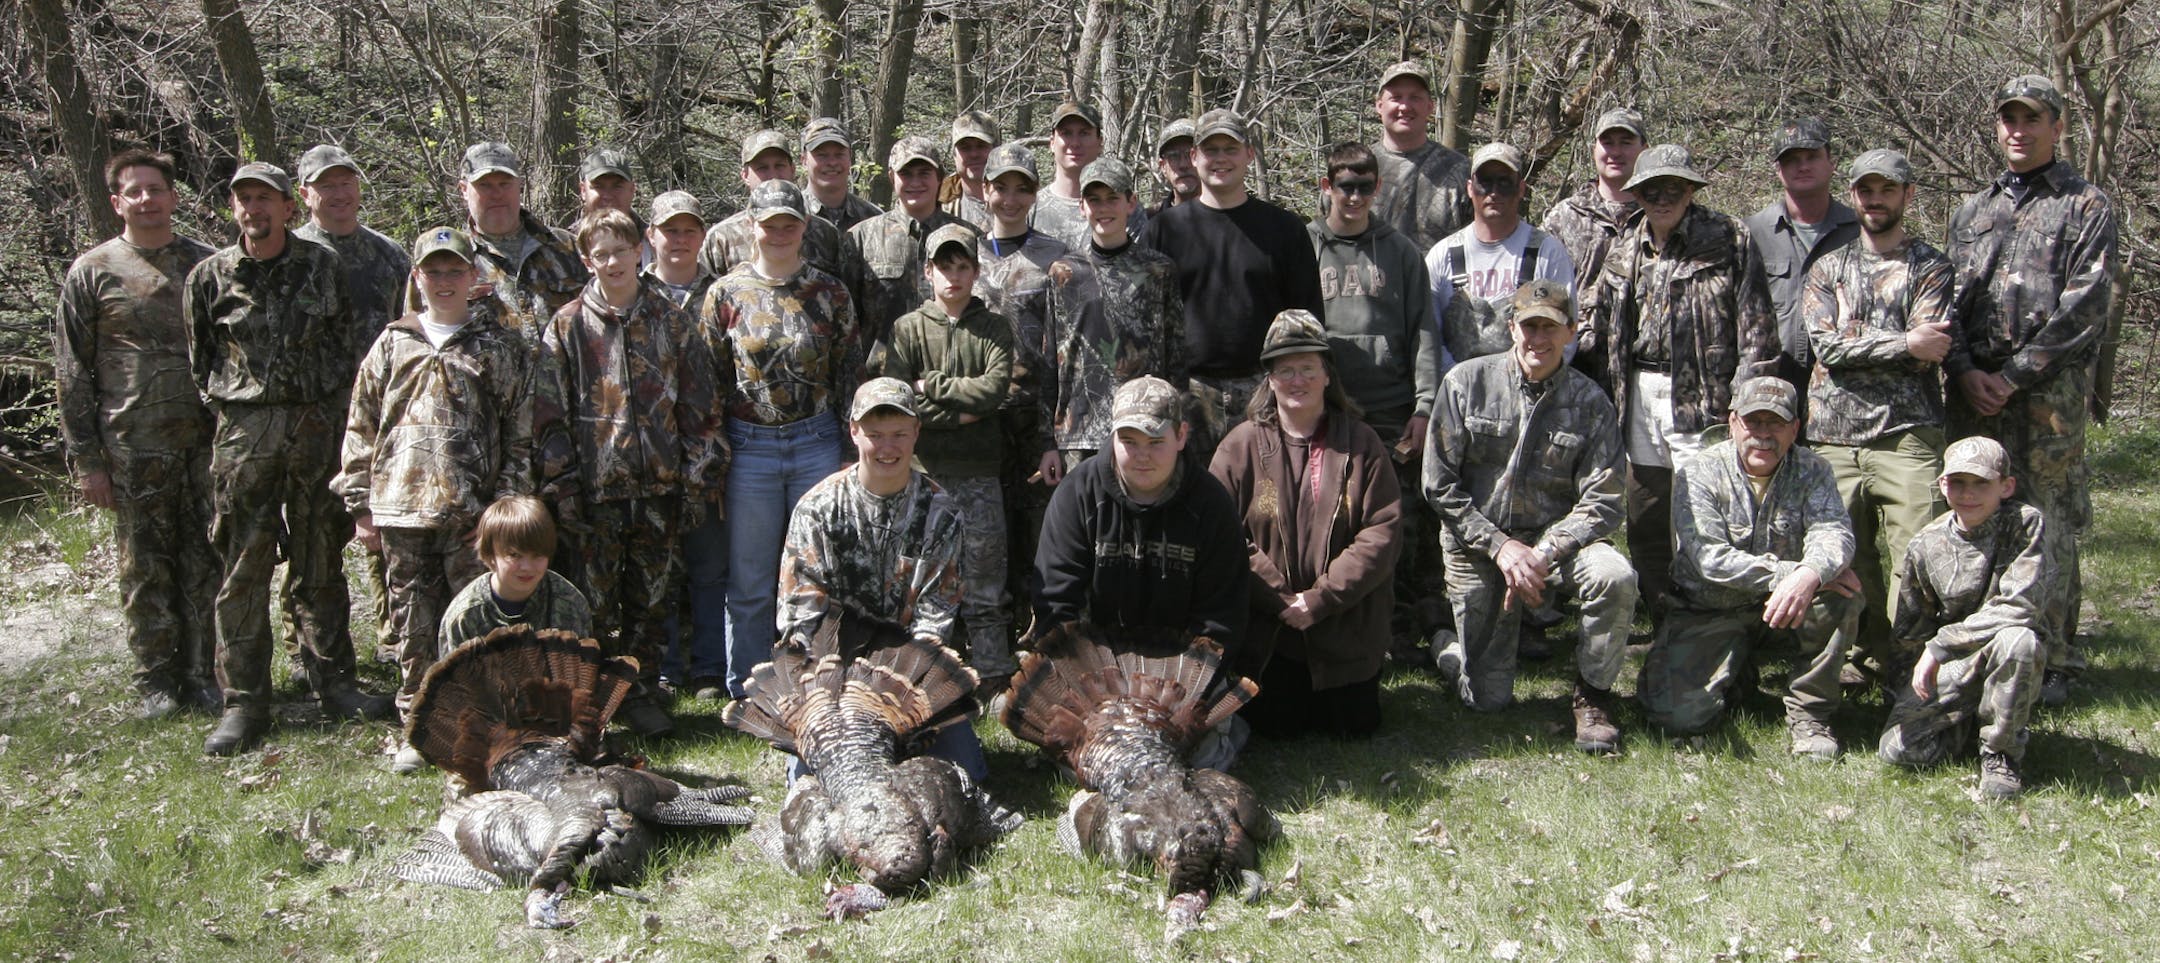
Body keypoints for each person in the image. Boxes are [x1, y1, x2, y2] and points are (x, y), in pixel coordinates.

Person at [186, 161, 392, 756]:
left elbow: (343, 343)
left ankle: (335, 684)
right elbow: (201, 361)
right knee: (242, 572)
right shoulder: (209, 276)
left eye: (265, 199)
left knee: (320, 561)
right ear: (234, 209)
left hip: (313, 432)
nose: (255, 209)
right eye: (244, 199)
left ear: (286, 206)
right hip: (244, 438)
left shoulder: (320, 266)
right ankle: (245, 702)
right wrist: (239, 414)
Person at [1944, 74, 2118, 706]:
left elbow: (2087, 305)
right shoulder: (1972, 209)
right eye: (2008, 119)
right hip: (1973, 393)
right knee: (1973, 512)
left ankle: (2056, 656)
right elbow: (1949, 300)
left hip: (2047, 398)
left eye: (2032, 119)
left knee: (2049, 520)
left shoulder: (2086, 205)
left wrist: (2015, 376)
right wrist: (1964, 370)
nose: (2018, 130)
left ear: (2057, 126)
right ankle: (1980, 643)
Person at [334, 227, 534, 772]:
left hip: (472, 516)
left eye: (454, 271)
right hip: (400, 513)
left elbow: (519, 433)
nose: (444, 281)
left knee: (478, 627)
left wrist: (503, 511)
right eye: (433, 271)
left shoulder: (498, 347)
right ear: (416, 277)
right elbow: (361, 426)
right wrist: (361, 506)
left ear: (473, 279)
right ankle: (420, 732)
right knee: (413, 628)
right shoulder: (392, 342)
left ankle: (485, 729)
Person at [533, 209, 727, 738]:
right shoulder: (568, 325)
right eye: (601, 254)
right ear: (586, 259)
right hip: (594, 492)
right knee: (591, 603)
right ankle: (591, 700)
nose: (613, 262)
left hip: (660, 489)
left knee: (650, 602)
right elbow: (548, 414)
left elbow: (700, 405)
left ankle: (639, 692)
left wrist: (695, 476)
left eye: (621, 250)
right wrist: (563, 485)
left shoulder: (671, 319)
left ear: (641, 250)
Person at [1425, 281, 1635, 750]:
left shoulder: (1592, 402)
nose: (1538, 338)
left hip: (1552, 545)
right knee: (1486, 700)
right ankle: (1448, 649)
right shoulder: (1465, 382)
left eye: (1551, 328)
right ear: (1511, 327)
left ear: (1571, 332)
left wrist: (1542, 552)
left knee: (1614, 575)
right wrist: (1501, 548)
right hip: (1479, 545)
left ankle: (1593, 695)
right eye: (1529, 326)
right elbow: (1439, 486)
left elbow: (1603, 499)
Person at [1574, 143, 1778, 608]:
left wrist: (1745, 401)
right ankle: (1660, 604)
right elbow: (1598, 324)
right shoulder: (1624, 247)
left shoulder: (1728, 236)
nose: (1661, 198)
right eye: (1649, 190)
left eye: (1672, 188)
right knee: (1646, 505)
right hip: (1638, 391)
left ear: (1690, 190)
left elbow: (1758, 326)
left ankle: (1711, 605)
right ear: (1637, 193)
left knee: (1704, 506)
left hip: (1705, 394)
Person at [54, 150, 219, 719]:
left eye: (157, 189)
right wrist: (86, 460)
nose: (147, 199)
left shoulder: (207, 265)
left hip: (204, 443)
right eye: (136, 191)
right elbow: (72, 368)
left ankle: (203, 673)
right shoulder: (93, 270)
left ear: (174, 196)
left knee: (204, 560)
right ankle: (156, 679)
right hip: (131, 445)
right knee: (144, 566)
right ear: (117, 201)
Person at [700, 179, 864, 699]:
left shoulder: (830, 293)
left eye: (789, 223)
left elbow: (849, 373)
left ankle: (816, 684)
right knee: (749, 580)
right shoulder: (725, 294)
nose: (779, 232)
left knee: (817, 573)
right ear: (752, 225)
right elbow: (708, 380)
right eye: (769, 223)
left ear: (804, 227)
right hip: (749, 447)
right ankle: (749, 689)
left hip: (816, 441)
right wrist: (718, 452)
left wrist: (846, 450)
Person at [1034, 376, 1250, 765]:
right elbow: (1055, 602)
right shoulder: (1077, 494)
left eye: (1155, 442)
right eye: (1129, 441)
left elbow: (1222, 616)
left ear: (1182, 436)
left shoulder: (1211, 505)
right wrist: (1095, 696)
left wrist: (1180, 703)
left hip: (1179, 679)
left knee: (1195, 759)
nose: (1142, 455)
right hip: (1097, 676)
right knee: (1085, 760)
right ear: (1111, 437)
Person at [779, 378, 986, 781]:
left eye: (898, 435)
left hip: (909, 682)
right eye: (875, 435)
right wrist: (839, 698)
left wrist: (897, 697)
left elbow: (936, 619)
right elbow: (800, 618)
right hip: (832, 681)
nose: (887, 448)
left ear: (916, 434)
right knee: (811, 785)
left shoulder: (942, 513)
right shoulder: (817, 509)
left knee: (965, 778)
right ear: (853, 432)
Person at [1639, 377, 1862, 750]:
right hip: (1709, 609)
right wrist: (1792, 574)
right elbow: (1710, 558)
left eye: (1775, 423)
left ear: (1795, 427)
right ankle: (1736, 670)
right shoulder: (1699, 471)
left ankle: (1811, 715)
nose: (1763, 435)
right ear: (1732, 422)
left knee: (1843, 596)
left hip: (1783, 609)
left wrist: (1811, 574)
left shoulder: (1813, 470)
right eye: (1752, 422)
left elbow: (1834, 533)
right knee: (1676, 718)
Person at [1802, 148, 1954, 688]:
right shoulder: (1828, 267)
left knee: (1915, 553)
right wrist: (1901, 341)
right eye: (1866, 190)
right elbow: (1825, 346)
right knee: (1846, 555)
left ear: (1907, 195)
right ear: (1854, 196)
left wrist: (1861, 339)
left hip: (1906, 435)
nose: (1875, 200)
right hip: (1833, 436)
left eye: (1887, 190)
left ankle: (1910, 666)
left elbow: (1930, 347)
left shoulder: (1930, 267)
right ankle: (1861, 653)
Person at [1208, 312, 1400, 739]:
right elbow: (1221, 535)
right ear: (1269, 380)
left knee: (1353, 726)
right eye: (1285, 370)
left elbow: (1381, 532)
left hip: (1342, 628)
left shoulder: (1362, 444)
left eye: (1308, 369)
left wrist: (1321, 599)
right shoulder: (1239, 447)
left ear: (1327, 375)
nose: (1298, 380)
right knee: (1277, 728)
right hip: (1269, 636)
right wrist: (1280, 599)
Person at [1307, 141, 1443, 658]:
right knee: (1331, 515)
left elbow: (1423, 332)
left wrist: (1424, 405)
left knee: (1397, 520)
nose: (1356, 195)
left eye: (1366, 185)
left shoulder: (1402, 252)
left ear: (1377, 188)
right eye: (1346, 185)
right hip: (1327, 408)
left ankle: (1402, 626)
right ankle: (1339, 620)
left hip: (1390, 409)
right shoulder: (1307, 247)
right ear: (1328, 187)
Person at [872, 224, 1018, 689]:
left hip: (978, 474)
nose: (953, 277)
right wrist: (961, 412)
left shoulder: (994, 328)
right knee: (915, 579)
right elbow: (897, 402)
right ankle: (920, 674)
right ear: (927, 272)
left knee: (985, 577)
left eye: (962, 267)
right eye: (943, 267)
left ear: (975, 272)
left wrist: (929, 386)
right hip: (920, 475)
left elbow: (994, 391)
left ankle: (994, 673)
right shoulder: (908, 329)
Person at [1142, 108, 1324, 464]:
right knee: (1192, 505)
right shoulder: (1163, 230)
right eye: (1211, 150)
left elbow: (1308, 322)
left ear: (1249, 155)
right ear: (1195, 157)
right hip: (1187, 393)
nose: (1221, 159)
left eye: (1231, 148)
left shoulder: (1284, 229)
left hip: (1266, 390)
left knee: (1267, 503)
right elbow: (1148, 326)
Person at [294, 144, 413, 664]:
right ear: (305, 194)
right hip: (311, 422)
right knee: (313, 540)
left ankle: (394, 637)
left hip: (381, 422)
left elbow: (411, 328)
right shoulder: (289, 255)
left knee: (383, 529)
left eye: (346, 183)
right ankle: (311, 650)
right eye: (326, 185)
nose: (339, 194)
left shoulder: (389, 256)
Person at [1877, 437, 2047, 799]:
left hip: (2001, 653)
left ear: (2006, 486)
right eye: (1958, 483)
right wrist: (1903, 688)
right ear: (1942, 485)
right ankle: (1970, 721)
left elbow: (2020, 606)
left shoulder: (2026, 525)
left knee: (2018, 639)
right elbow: (1911, 627)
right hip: (1952, 666)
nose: (1969, 494)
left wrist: (1940, 646)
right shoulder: (1926, 543)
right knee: (1899, 752)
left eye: (1981, 483)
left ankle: (2001, 754)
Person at [1038, 158, 1186, 483]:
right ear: (1082, 206)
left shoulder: (1158, 271)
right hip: (1079, 435)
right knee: (1086, 527)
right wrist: (1049, 442)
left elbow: (1175, 359)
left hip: (1145, 430)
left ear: (1131, 203)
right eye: (1094, 200)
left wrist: (1174, 429)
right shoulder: (1064, 272)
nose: (1103, 209)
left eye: (1112, 199)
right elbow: (1050, 361)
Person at [975, 144, 1070, 617]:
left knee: (1041, 534)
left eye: (1022, 189)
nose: (1010, 199)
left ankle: (1045, 637)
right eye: (1001, 188)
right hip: (978, 419)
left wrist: (1054, 433)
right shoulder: (961, 255)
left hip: (1036, 418)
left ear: (1034, 194)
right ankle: (991, 635)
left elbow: (1065, 351)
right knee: (987, 534)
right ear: (984, 189)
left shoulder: (1055, 258)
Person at [643, 189, 728, 701]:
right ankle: (664, 668)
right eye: (669, 230)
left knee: (709, 566)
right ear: (650, 236)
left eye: (688, 230)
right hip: (648, 453)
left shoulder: (722, 293)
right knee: (659, 566)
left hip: (710, 453)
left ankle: (709, 670)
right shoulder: (630, 292)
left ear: (702, 236)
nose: (679, 239)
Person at [1428, 142, 1577, 369]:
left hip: (1527, 390)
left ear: (1521, 189)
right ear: (1470, 188)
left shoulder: (1547, 253)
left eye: (1504, 183)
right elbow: (1429, 339)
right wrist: (1460, 383)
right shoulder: (1443, 255)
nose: (1494, 192)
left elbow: (1566, 338)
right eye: (1484, 183)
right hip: (1457, 391)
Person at [1744, 118, 1859, 388]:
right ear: (1777, 169)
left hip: (1843, 384)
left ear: (1831, 163)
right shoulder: (1751, 233)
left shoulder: (1859, 232)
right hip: (1770, 386)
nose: (1803, 166)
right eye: (1792, 159)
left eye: (1812, 156)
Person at [848, 135, 982, 346]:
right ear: (892, 177)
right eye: (906, 174)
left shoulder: (970, 237)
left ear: (939, 177)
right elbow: (848, 322)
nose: (915, 182)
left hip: (954, 373)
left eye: (924, 173)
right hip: (882, 374)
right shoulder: (861, 238)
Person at [450, 141, 588, 339]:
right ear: (464, 190)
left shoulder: (567, 247)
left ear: (520, 185)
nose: (497, 194)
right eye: (485, 185)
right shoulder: (448, 261)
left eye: (504, 184)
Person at [699, 129, 861, 284]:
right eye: (762, 168)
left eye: (779, 166)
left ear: (792, 169)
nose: (773, 174)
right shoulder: (722, 237)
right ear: (745, 175)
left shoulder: (824, 233)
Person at [438, 495, 594, 654]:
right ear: (491, 555)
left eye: (537, 555)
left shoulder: (570, 602)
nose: (527, 567)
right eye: (514, 555)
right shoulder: (464, 616)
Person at [1365, 60, 1470, 251]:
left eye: (1415, 98)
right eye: (1396, 98)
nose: (1405, 107)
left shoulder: (1459, 171)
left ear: (1430, 107)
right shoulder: (1357, 168)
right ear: (1379, 106)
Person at [1540, 108, 1646, 294]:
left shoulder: (1659, 214)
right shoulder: (1564, 216)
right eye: (1608, 143)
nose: (1616, 152)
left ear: (1645, 150)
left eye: (1626, 143)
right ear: (1594, 150)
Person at [1030, 101, 1147, 249]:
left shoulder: (1124, 208)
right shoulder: (1031, 207)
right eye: (1066, 133)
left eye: (1084, 133)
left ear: (1100, 142)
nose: (1075, 143)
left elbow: (1140, 265)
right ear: (1052, 143)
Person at [801, 117, 883, 232]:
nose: (832, 162)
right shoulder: (791, 216)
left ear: (850, 158)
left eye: (839, 154)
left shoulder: (873, 218)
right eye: (822, 155)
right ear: (804, 160)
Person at [940, 109, 999, 231]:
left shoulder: (1020, 201)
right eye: (965, 148)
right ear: (954, 155)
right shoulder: (938, 204)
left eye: (981, 146)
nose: (974, 154)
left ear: (996, 149)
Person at [1150, 119, 1200, 214]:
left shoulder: (1229, 214)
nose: (1183, 165)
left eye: (1190, 155)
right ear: (1163, 167)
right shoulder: (1150, 222)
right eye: (1174, 156)